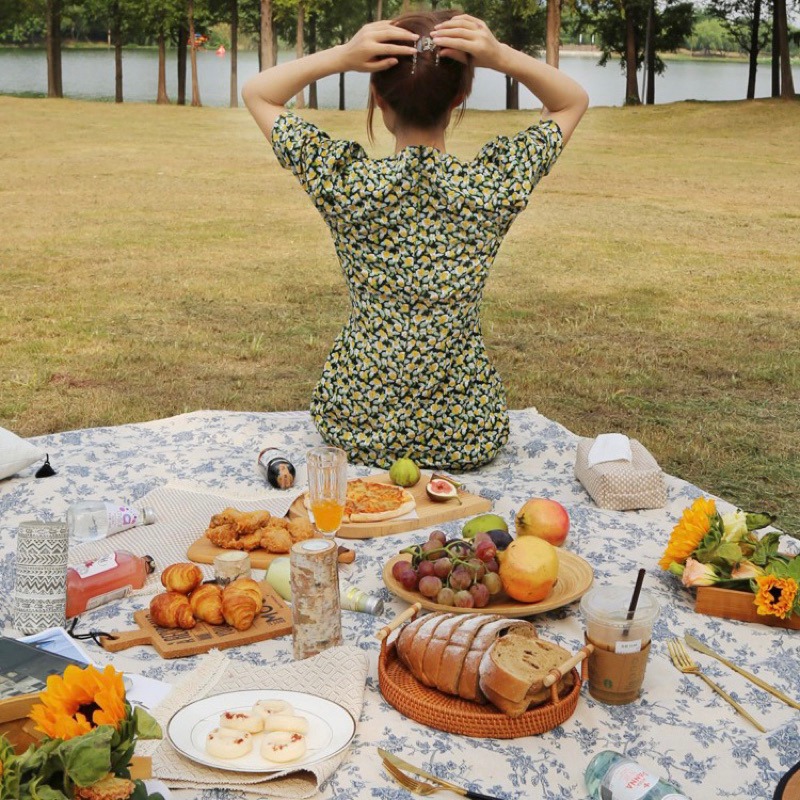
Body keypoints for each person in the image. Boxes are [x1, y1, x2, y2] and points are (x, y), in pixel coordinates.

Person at [243, 11, 588, 471]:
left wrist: (344, 56)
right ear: (461, 97)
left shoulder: (345, 183)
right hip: (467, 430)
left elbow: (258, 93)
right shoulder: (492, 185)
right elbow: (571, 102)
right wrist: (499, 56)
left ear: (377, 97)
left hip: (354, 423)